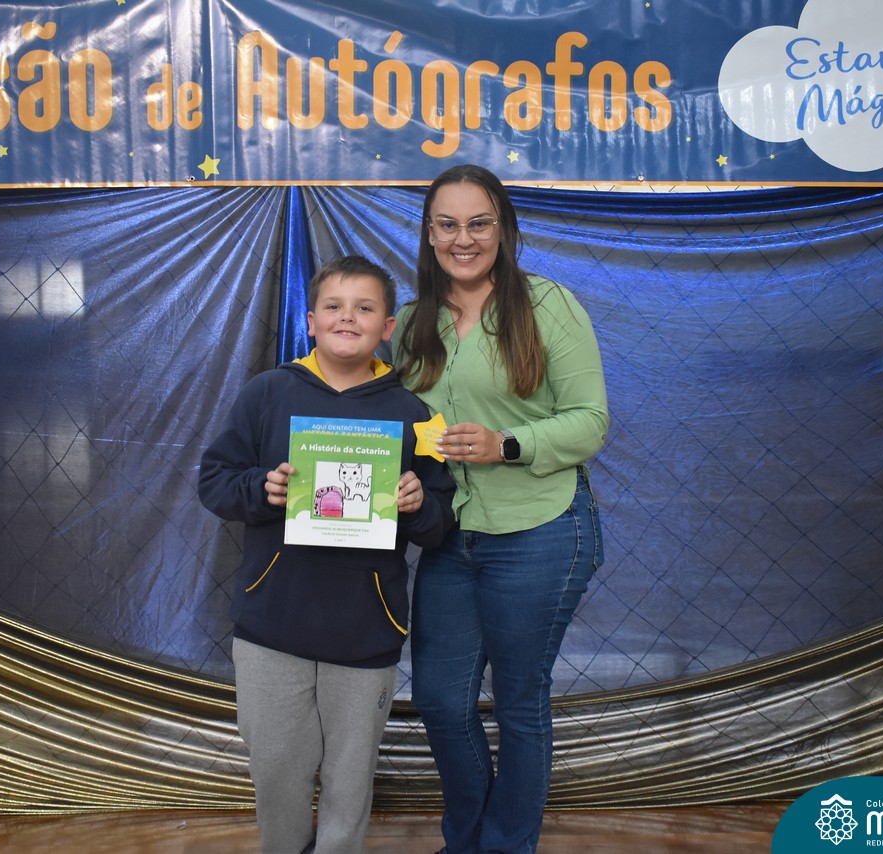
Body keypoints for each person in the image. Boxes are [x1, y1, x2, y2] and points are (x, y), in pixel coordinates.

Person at [198, 255, 456, 854]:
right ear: (311, 320)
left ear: (387, 327)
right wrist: (261, 489)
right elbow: (214, 481)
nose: (348, 318)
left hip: (365, 630)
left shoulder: (416, 414)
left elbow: (441, 521)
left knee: (349, 776)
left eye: (365, 308)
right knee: (277, 770)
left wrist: (419, 503)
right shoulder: (267, 393)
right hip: (271, 624)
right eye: (334, 307)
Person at [393, 164, 608, 854]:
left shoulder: (549, 306)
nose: (464, 239)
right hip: (450, 538)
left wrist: (506, 443)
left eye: (479, 223)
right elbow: (381, 421)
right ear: (430, 235)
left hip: (541, 530)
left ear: (504, 229)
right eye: (448, 225)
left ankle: (506, 846)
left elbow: (591, 421)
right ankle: (468, 842)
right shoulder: (410, 323)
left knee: (519, 701)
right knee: (440, 700)